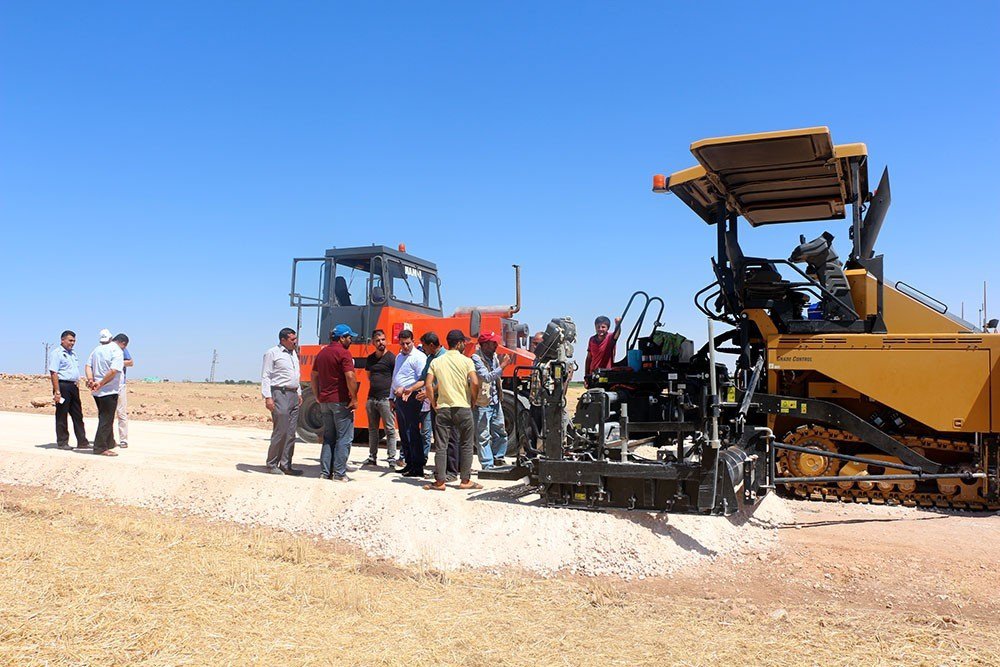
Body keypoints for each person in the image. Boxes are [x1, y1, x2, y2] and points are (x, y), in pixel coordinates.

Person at [423, 329, 482, 491]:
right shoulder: (467, 361)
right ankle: (465, 481)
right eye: (464, 342)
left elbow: (428, 384)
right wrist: (473, 400)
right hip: (463, 407)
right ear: (459, 343)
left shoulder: (437, 361)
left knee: (441, 446)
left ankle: (440, 482)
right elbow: (475, 382)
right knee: (466, 445)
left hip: (443, 408)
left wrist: (433, 402)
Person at [407, 331, 459, 481]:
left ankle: (452, 471)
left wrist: (428, 392)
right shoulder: (430, 358)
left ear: (431, 345)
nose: (423, 349)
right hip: (436, 403)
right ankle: (440, 470)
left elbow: (446, 381)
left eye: (424, 346)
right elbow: (424, 379)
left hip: (448, 402)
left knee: (450, 437)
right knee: (439, 438)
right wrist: (411, 388)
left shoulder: (445, 357)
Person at [313, 324, 360, 481]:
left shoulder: (322, 353)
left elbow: (313, 375)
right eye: (349, 337)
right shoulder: (344, 353)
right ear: (342, 338)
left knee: (328, 438)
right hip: (340, 401)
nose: (351, 340)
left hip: (325, 401)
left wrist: (317, 395)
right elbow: (350, 376)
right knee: (344, 438)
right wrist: (354, 398)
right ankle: (339, 473)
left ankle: (325, 473)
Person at [261, 327, 303, 475]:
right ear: (283, 340)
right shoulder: (272, 353)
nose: (295, 342)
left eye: (295, 339)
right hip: (280, 394)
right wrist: (268, 397)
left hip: (293, 395)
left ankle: (286, 465)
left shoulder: (293, 354)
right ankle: (272, 464)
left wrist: (298, 392)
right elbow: (266, 376)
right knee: (281, 431)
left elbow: (295, 375)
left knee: (291, 433)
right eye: (292, 339)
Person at [471, 331, 512, 469]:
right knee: (483, 435)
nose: (496, 345)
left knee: (500, 431)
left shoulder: (493, 356)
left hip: (495, 401)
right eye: (493, 343)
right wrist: (503, 366)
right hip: (483, 402)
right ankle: (487, 464)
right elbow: (487, 377)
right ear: (484, 345)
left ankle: (498, 458)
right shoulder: (476, 359)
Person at [391, 329, 427, 477]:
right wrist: (390, 397)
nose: (405, 346)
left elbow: (422, 380)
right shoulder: (399, 357)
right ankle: (408, 463)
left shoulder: (419, 357)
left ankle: (417, 467)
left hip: (411, 398)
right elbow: (395, 377)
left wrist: (407, 390)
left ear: (413, 341)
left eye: (408, 343)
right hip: (398, 398)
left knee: (413, 433)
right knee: (404, 434)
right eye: (402, 343)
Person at [85, 328, 124, 456]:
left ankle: (109, 442)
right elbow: (113, 371)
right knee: (106, 419)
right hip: (109, 390)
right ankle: (100, 447)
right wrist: (101, 383)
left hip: (97, 392)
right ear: (111, 339)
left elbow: (88, 366)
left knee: (104, 417)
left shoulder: (96, 350)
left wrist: (91, 380)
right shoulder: (116, 350)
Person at [48, 330, 90, 450]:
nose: (72, 343)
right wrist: (57, 391)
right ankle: (62, 442)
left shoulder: (73, 354)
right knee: (62, 414)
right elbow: (54, 372)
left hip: (73, 386)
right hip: (62, 386)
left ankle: (82, 441)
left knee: (77, 414)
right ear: (63, 340)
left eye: (74, 341)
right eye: (70, 340)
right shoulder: (57, 353)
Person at [362, 329, 397, 467]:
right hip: (372, 399)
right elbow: (369, 376)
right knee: (372, 429)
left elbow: (396, 378)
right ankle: (372, 457)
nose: (381, 342)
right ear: (373, 342)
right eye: (377, 340)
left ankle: (391, 458)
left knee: (390, 429)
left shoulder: (391, 358)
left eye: (382, 339)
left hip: (386, 399)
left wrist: (392, 398)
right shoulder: (370, 359)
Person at [584, 315, 622, 386]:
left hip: (606, 373)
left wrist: (618, 324)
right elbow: (588, 358)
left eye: (603, 327)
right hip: (593, 374)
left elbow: (617, 333)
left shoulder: (610, 337)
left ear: (608, 328)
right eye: (598, 327)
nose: (600, 329)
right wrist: (586, 376)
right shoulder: (592, 340)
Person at [112, 333, 133, 448]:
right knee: (108, 414)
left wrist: (117, 362)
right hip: (108, 385)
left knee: (121, 413)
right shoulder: (107, 349)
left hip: (120, 385)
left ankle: (123, 439)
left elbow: (130, 362)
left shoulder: (122, 351)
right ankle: (108, 439)